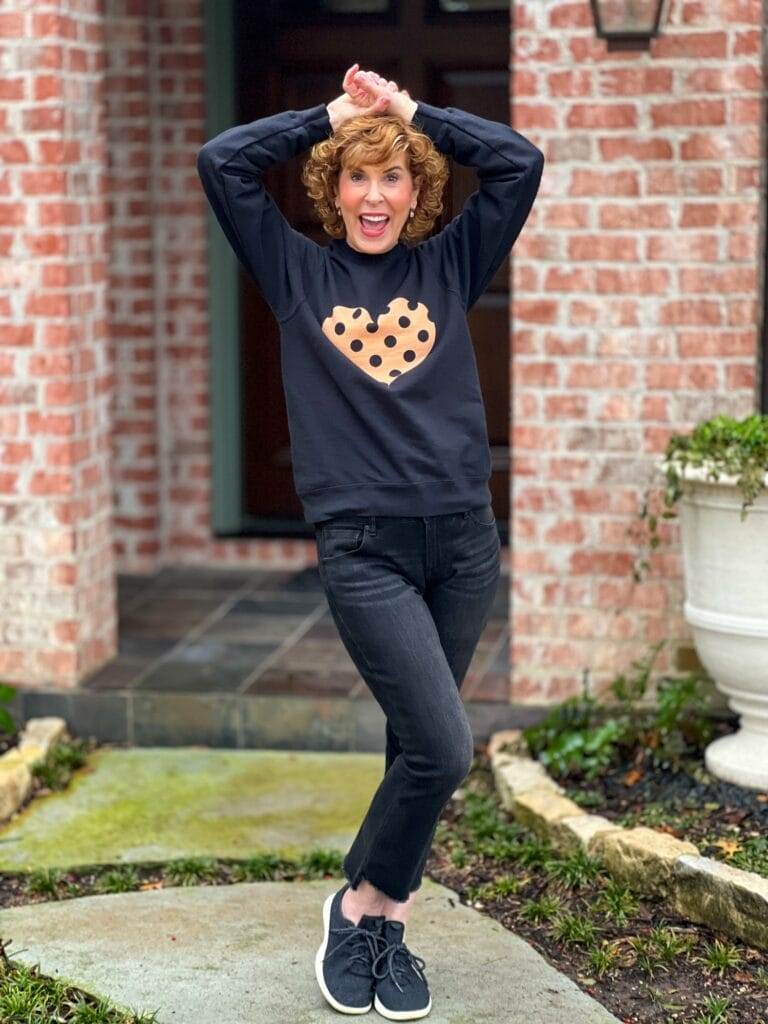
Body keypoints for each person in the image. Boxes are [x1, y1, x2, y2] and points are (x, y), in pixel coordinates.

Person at [197, 63, 544, 1021]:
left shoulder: (450, 262)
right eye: (359, 175)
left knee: (411, 754)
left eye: (395, 176)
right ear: (333, 188)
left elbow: (519, 163)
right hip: (365, 546)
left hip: (465, 541)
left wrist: (413, 113)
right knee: (443, 747)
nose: (377, 196)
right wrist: (335, 115)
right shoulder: (296, 270)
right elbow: (221, 162)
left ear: (419, 190)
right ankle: (357, 901)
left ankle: (384, 929)